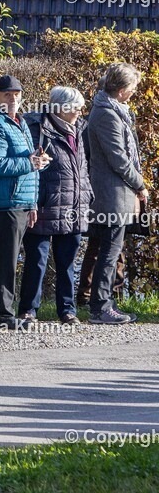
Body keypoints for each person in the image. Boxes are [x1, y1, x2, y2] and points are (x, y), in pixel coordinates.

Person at [0, 75, 50, 329]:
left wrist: (32, 203)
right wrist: (31, 163)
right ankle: (1, 314)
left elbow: (30, 164)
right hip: (4, 202)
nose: (13, 98)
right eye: (7, 94)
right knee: (5, 261)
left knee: (8, 260)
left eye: (16, 94)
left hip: (21, 201)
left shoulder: (20, 122)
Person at [18, 87, 92, 325]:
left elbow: (84, 167)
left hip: (74, 206)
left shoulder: (80, 129)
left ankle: (67, 310)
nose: (80, 111)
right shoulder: (36, 128)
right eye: (76, 107)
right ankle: (29, 310)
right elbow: (29, 167)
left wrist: (87, 195)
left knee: (67, 262)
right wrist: (32, 201)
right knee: (36, 261)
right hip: (44, 206)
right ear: (60, 108)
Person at [86, 63, 147, 325]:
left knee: (110, 250)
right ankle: (100, 307)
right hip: (111, 193)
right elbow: (119, 159)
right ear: (121, 90)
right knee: (110, 251)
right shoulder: (107, 115)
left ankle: (103, 304)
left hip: (116, 192)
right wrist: (140, 183)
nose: (134, 91)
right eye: (132, 87)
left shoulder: (112, 110)